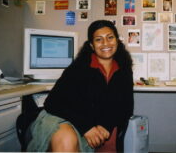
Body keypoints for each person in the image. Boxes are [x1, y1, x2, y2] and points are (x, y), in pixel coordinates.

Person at [26, 20, 134, 152]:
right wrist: (86, 127)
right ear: (92, 45)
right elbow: (52, 102)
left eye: (110, 37)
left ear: (117, 40)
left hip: (94, 126)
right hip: (63, 118)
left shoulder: (124, 69)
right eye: (99, 39)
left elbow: (126, 106)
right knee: (67, 140)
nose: (105, 43)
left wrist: (107, 125)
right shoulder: (79, 68)